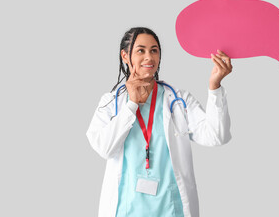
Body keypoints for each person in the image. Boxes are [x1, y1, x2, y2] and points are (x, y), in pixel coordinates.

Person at [86, 27, 233, 217]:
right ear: (125, 55)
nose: (149, 57)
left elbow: (217, 136)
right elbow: (104, 148)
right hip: (125, 210)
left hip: (171, 210)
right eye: (141, 50)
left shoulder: (178, 100)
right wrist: (131, 105)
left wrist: (215, 87)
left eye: (154, 50)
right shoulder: (111, 102)